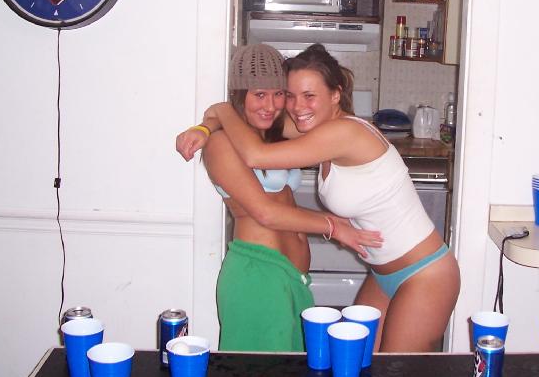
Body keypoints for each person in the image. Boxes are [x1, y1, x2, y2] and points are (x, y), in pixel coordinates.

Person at [181, 44, 460, 352]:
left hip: (423, 273)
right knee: (357, 367)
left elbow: (255, 152)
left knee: (395, 374)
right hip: (381, 275)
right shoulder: (313, 129)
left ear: (336, 95)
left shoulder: (343, 133)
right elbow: (255, 127)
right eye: (290, 95)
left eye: (308, 95)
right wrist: (206, 126)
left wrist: (220, 110)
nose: (295, 106)